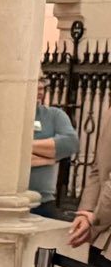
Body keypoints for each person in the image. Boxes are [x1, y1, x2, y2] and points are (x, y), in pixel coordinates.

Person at [33, 78, 80, 217]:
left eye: (42, 85)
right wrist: (47, 158)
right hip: (7, 200)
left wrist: (22, 146)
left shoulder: (54, 115)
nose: (40, 90)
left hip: (43, 201)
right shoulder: (5, 117)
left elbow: (70, 144)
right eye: (35, 84)